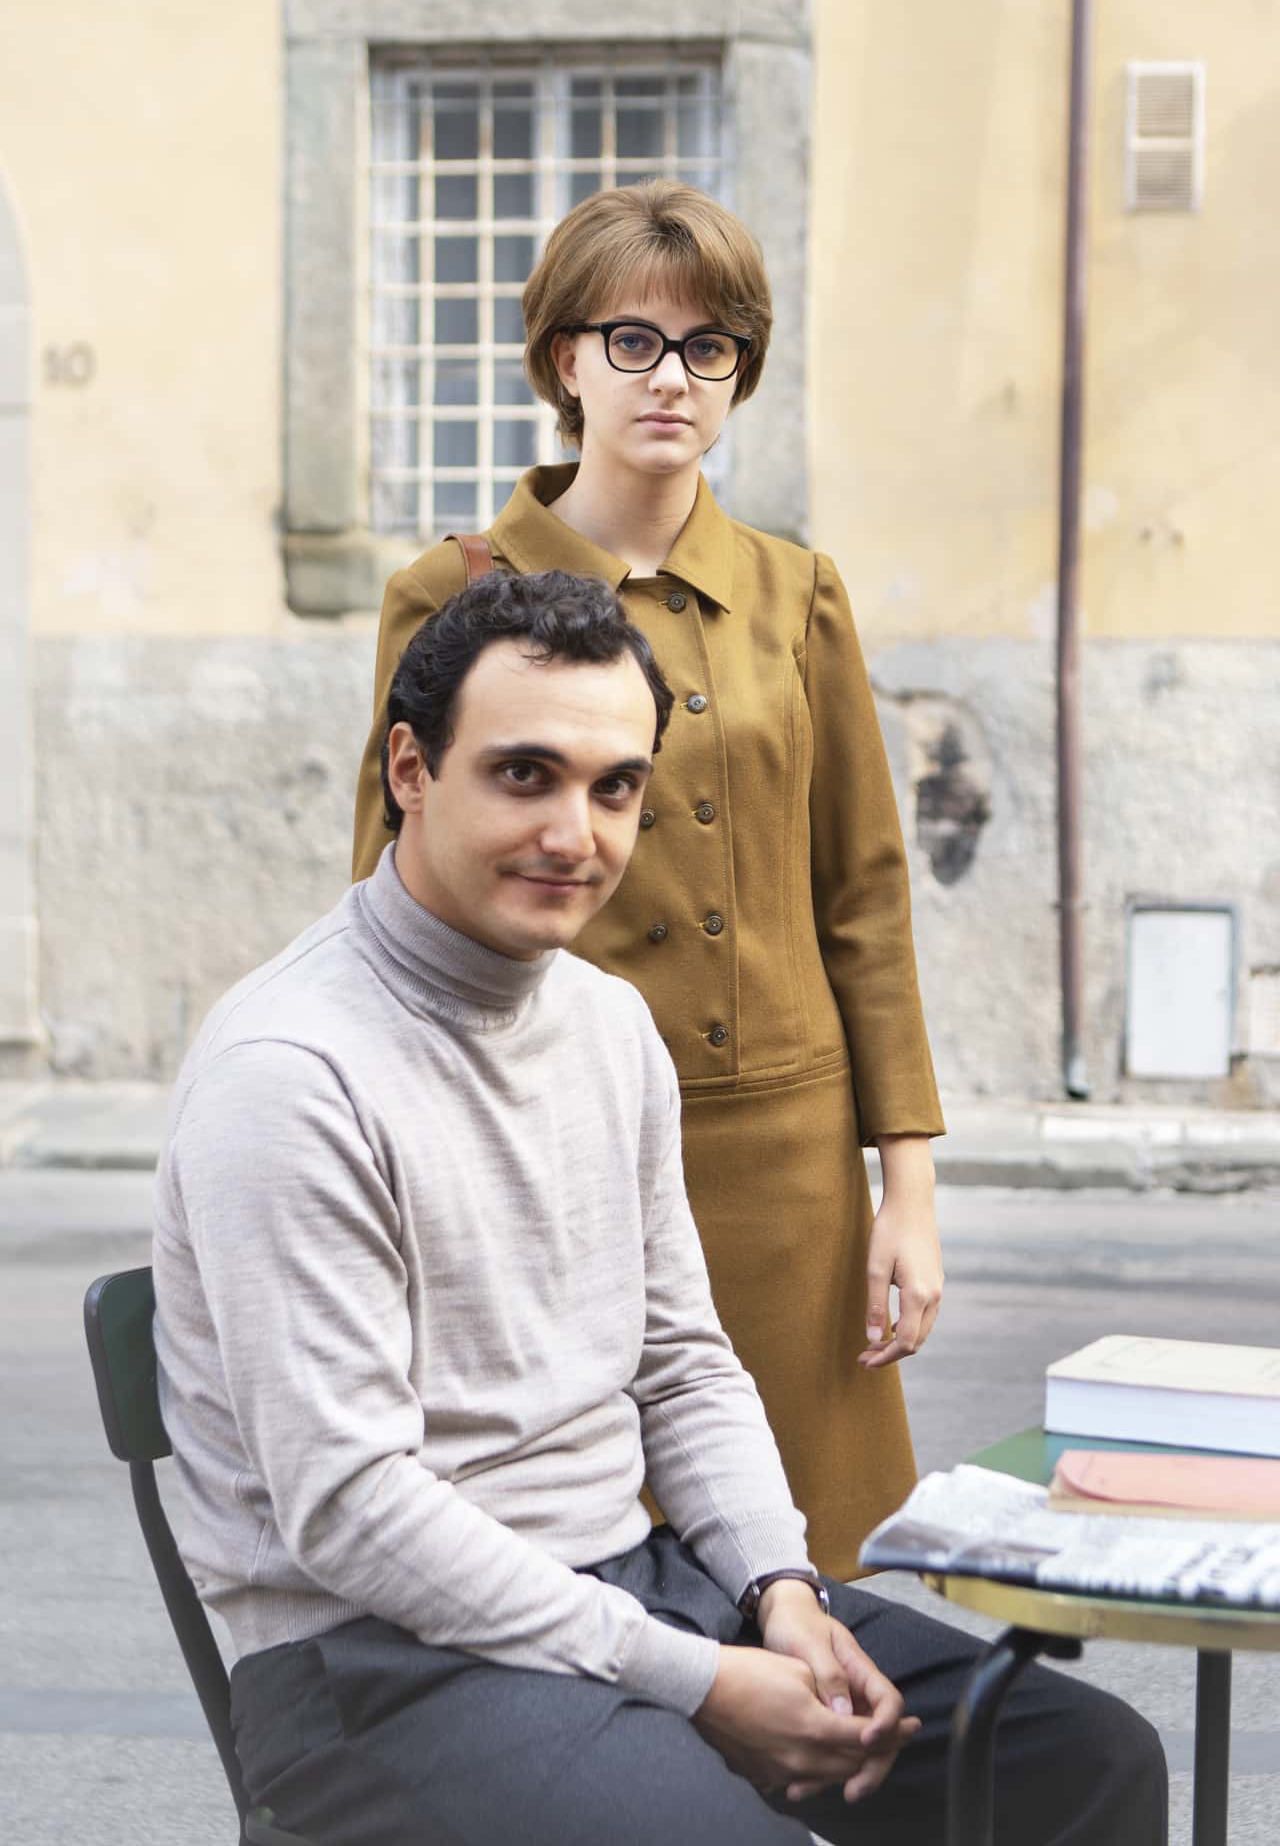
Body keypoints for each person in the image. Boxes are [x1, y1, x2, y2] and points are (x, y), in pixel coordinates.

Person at [156, 573, 1166, 1846]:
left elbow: (681, 1364)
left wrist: (781, 1591)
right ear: (410, 769)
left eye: (613, 787)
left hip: (631, 1586)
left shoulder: (605, 1024)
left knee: (1079, 1761)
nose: (573, 834)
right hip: (374, 1661)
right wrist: (698, 1679)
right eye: (523, 775)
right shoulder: (290, 1073)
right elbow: (350, 1510)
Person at [352, 180, 945, 1576]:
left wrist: (906, 1193)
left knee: (812, 1583)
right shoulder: (453, 594)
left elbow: (863, 898)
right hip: (545, 1153)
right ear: (566, 359)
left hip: (788, 1175)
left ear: (739, 372)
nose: (671, 376)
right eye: (633, 340)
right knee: (587, 1583)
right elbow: (394, 891)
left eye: (708, 345)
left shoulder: (799, 597)